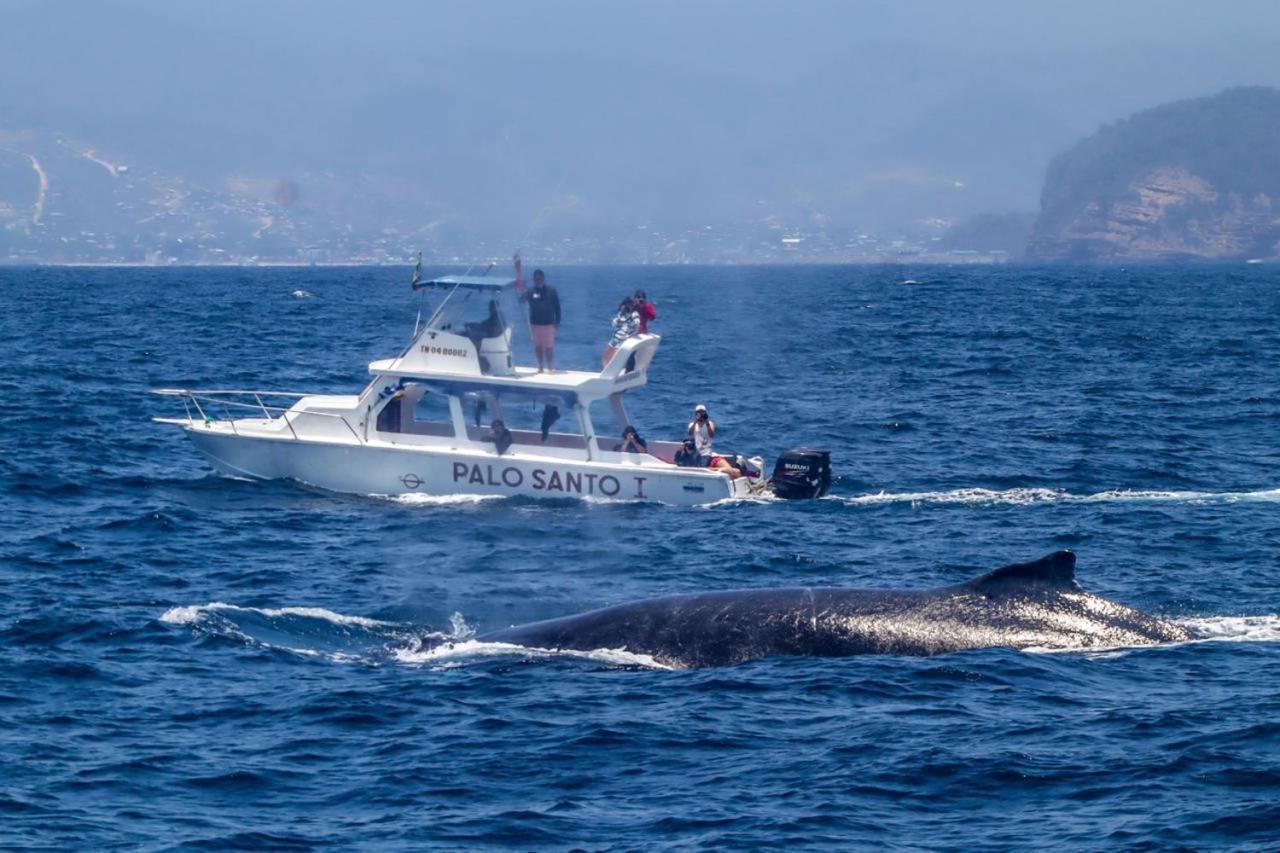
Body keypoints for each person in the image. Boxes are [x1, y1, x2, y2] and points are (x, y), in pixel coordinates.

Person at [520, 269, 561, 373]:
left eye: (540, 278)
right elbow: (521, 300)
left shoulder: (551, 291)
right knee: (537, 346)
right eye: (536, 279)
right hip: (535, 324)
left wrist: (557, 321)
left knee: (549, 347)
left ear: (543, 278)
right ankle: (540, 367)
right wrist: (523, 291)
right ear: (534, 279)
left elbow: (557, 306)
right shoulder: (530, 291)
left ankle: (550, 367)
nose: (538, 280)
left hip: (548, 323)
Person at [602, 296, 640, 367]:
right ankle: (605, 368)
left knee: (616, 355)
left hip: (624, 338)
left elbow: (637, 322)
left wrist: (633, 322)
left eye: (630, 304)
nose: (629, 306)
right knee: (607, 353)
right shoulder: (620, 314)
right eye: (628, 304)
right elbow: (614, 324)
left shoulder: (634, 314)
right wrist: (618, 319)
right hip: (616, 337)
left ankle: (613, 369)